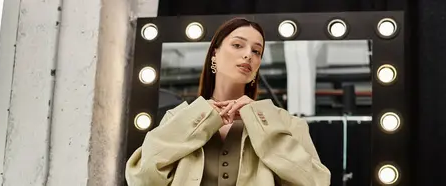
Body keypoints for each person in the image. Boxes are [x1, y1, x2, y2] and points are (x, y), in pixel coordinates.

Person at [126, 17, 331, 186]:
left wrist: (261, 123)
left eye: (256, 51)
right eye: (237, 45)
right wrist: (198, 119)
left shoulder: (286, 123)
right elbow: (142, 178)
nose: (247, 55)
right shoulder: (178, 118)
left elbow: (316, 182)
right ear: (215, 53)